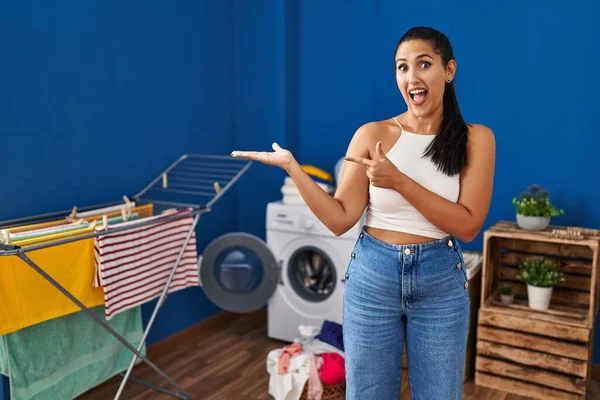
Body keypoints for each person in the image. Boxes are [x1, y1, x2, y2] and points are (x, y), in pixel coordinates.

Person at [231, 26, 495, 400]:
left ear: (448, 70)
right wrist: (293, 167)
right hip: (373, 277)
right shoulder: (373, 135)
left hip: (440, 284)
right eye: (402, 67)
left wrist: (400, 181)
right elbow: (340, 219)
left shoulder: (476, 139)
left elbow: (468, 226)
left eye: (424, 64)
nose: (412, 77)